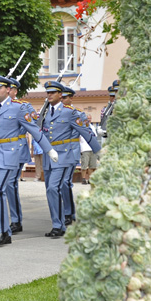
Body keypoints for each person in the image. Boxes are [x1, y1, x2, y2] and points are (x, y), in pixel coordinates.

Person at [0, 74, 56, 247]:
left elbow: (34, 130)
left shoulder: (18, 108)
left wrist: (49, 149)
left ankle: (1, 232)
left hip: (9, 154)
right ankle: (4, 232)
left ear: (8, 90)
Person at [41, 80, 100, 238]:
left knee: (54, 187)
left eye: (53, 92)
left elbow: (86, 131)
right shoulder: (43, 112)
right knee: (50, 190)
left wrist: (100, 152)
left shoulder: (70, 112)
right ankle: (57, 222)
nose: (50, 95)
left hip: (64, 154)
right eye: (48, 93)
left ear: (60, 95)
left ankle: (59, 225)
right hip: (49, 155)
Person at [3, 77, 32, 233]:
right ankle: (14, 219)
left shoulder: (24, 106)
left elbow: (34, 122)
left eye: (11, 89)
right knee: (6, 184)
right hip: (2, 149)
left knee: (10, 182)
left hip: (18, 148)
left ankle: (16, 220)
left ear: (15, 91)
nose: (9, 92)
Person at [59, 85, 80, 226]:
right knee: (58, 184)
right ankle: (64, 212)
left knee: (65, 182)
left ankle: (68, 212)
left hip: (71, 151)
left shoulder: (75, 113)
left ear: (71, 98)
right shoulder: (56, 113)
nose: (63, 100)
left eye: (65, 97)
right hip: (59, 152)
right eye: (62, 97)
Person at [80, 115, 98, 184]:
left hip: (92, 148)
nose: (89, 120)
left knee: (92, 165)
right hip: (85, 148)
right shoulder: (81, 127)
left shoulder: (93, 127)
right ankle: (83, 179)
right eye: (88, 118)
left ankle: (90, 179)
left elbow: (95, 137)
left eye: (90, 118)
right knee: (84, 165)